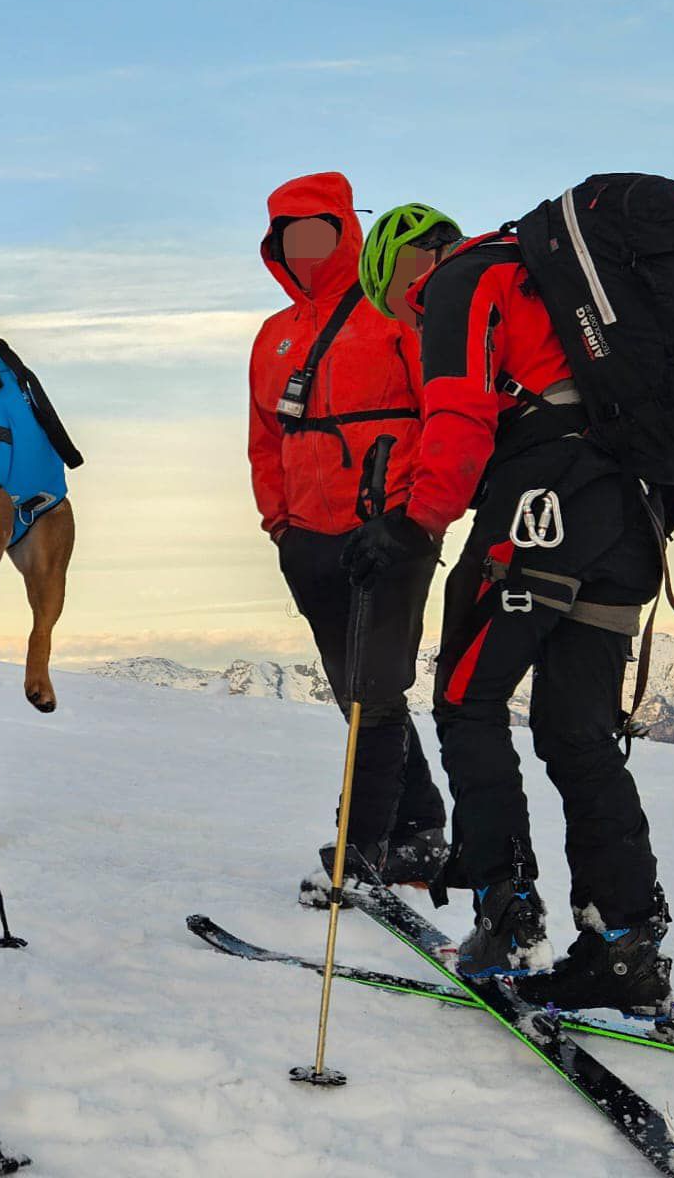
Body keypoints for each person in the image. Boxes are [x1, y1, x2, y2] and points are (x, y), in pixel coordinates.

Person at [342, 217, 674, 1013]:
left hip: (543, 501)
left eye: (391, 301)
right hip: (631, 513)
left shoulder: (457, 284)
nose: (404, 321)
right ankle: (624, 945)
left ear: (402, 268)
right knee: (577, 734)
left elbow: (459, 417)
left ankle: (507, 914)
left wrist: (413, 523)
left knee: (467, 699)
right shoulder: (547, 286)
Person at [246, 176, 449, 888]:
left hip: (390, 531)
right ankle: (419, 828)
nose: (303, 248)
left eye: (318, 231)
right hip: (308, 540)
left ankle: (359, 851)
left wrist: (412, 514)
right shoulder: (273, 335)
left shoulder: (398, 312)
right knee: (351, 690)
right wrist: (279, 523)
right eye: (288, 235)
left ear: (346, 232)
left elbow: (440, 414)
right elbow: (265, 439)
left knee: (375, 689)